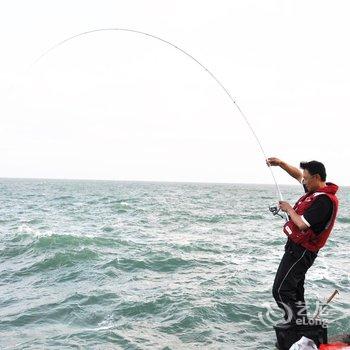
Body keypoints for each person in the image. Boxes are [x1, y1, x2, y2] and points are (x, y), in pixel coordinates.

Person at [266, 157, 339, 325]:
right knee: (295, 290)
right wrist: (281, 164)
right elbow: (297, 174)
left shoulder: (324, 201)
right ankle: (302, 325)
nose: (303, 181)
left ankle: (296, 327)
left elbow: (302, 224)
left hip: (303, 251)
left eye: (307, 178)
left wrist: (289, 208)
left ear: (317, 177)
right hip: (295, 248)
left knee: (281, 290)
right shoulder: (315, 191)